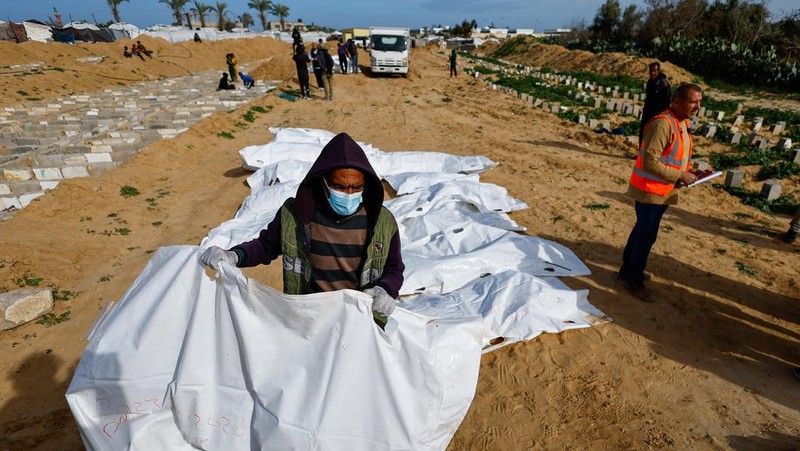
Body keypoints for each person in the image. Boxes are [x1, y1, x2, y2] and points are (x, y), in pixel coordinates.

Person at [201, 132, 405, 326]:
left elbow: (394, 267)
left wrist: (385, 288)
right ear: (323, 181)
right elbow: (266, 246)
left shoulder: (382, 223)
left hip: (359, 320)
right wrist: (233, 256)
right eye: (340, 187)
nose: (349, 193)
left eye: (356, 187)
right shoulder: (296, 216)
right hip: (308, 318)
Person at [618, 84, 704, 302]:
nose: (697, 106)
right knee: (646, 235)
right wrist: (679, 175)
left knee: (641, 231)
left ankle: (628, 270)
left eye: (699, 102)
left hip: (662, 190)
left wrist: (688, 172)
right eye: (693, 102)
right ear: (677, 101)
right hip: (650, 191)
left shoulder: (681, 123)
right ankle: (634, 280)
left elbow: (672, 156)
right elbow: (649, 162)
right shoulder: (662, 124)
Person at [640, 62, 672, 144]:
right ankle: (641, 154)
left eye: (654, 71)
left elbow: (667, 100)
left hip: (658, 112)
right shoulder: (650, 82)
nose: (652, 73)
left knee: (654, 134)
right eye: (651, 71)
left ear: (658, 71)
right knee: (644, 131)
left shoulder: (663, 83)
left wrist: (663, 114)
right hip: (648, 111)